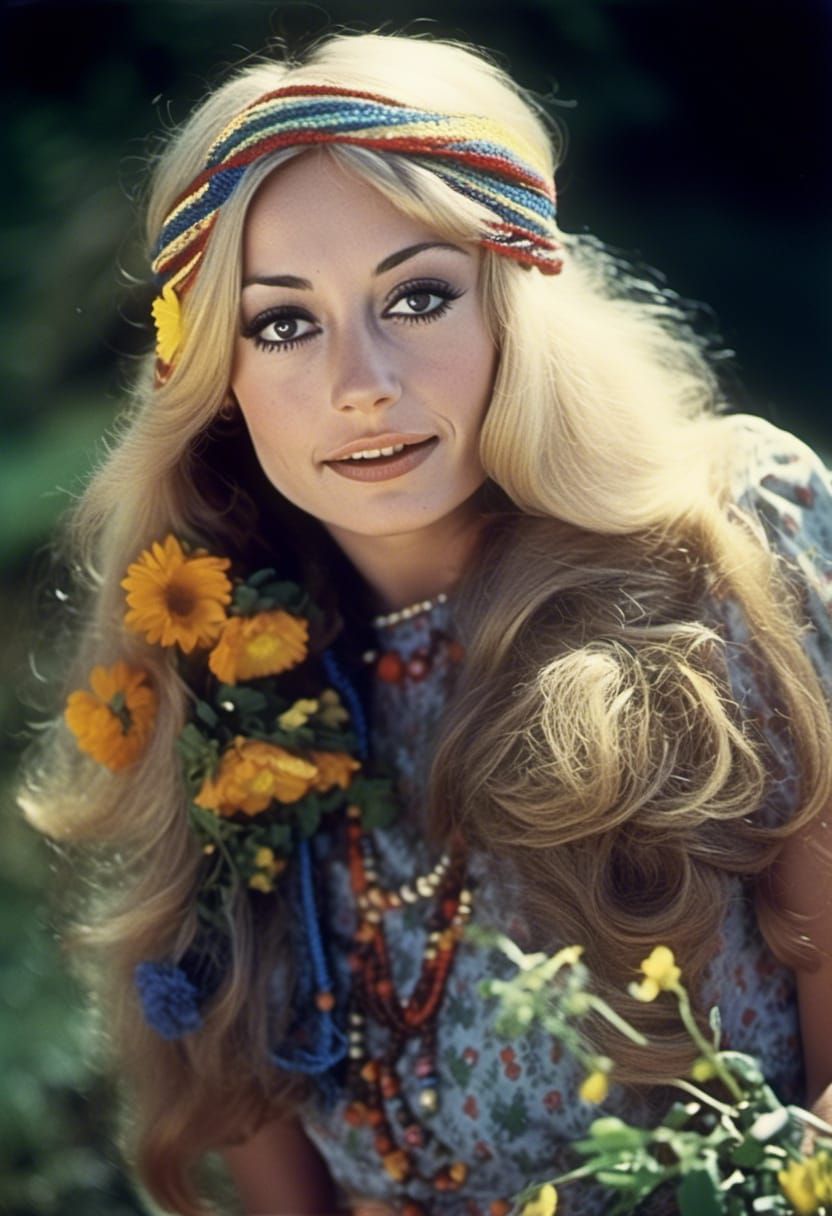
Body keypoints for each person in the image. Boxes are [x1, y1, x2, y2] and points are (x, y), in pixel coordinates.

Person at [18, 27, 832, 1216]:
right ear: (216, 377)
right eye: (282, 321)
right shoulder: (200, 674)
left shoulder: (733, 556)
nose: (361, 380)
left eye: (418, 296)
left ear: (517, 311)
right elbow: (251, 1120)